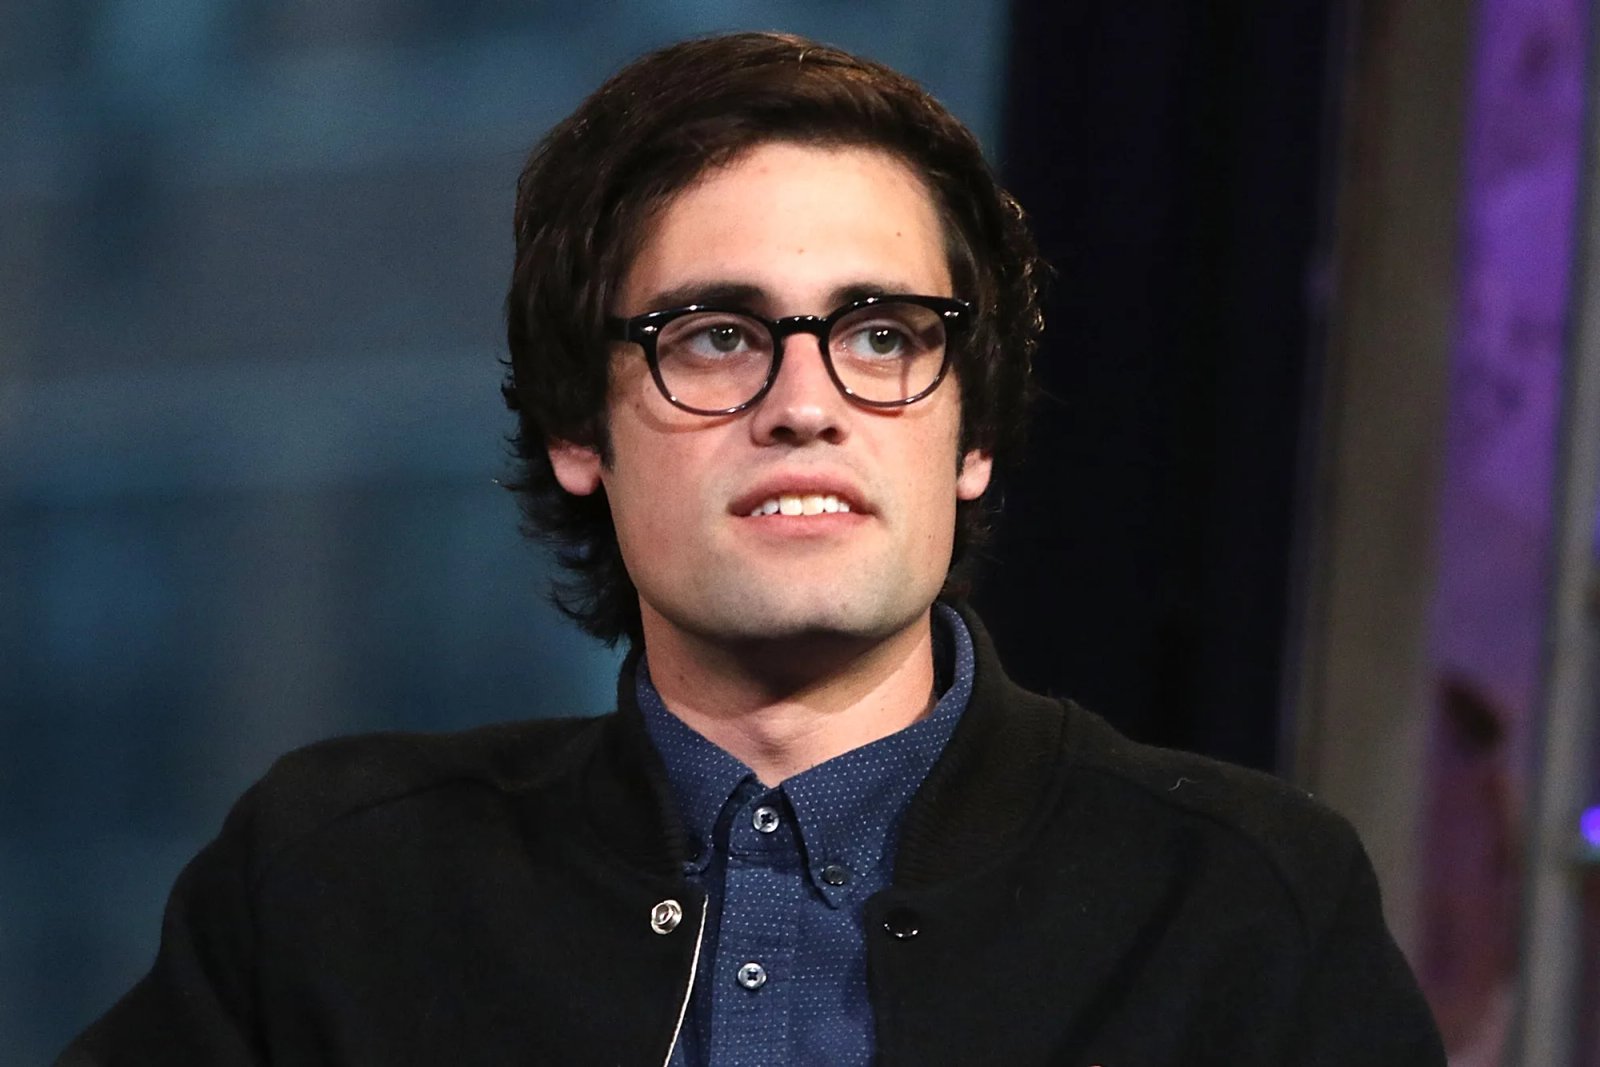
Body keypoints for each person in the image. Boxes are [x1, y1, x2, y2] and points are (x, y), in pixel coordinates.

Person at [59, 31, 1445, 1066]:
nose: (804, 402)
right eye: (716, 335)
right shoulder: (336, 889)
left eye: (882, 335)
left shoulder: (1240, 910)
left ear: (973, 439)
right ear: (577, 431)